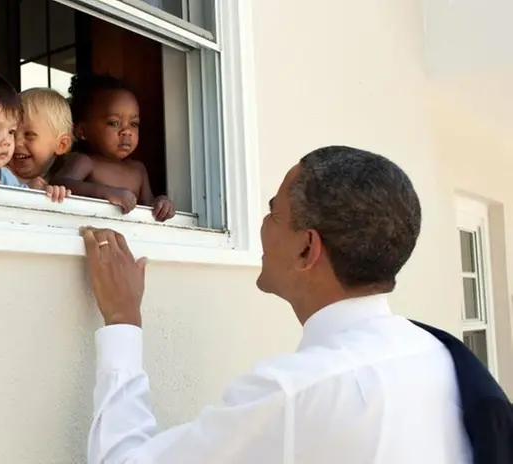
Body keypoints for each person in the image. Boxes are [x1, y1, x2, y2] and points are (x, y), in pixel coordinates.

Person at [79, 146, 471, 463]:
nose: (263, 226)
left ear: (307, 248)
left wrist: (122, 321)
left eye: (273, 212)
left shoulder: (294, 392)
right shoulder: (437, 355)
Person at [51, 74, 175, 222]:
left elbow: (149, 208)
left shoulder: (138, 170)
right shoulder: (85, 162)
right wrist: (106, 193)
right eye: (114, 123)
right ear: (82, 131)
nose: (126, 131)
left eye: (134, 124)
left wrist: (162, 204)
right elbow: (59, 183)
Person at [0, 70, 68, 202]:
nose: (8, 142)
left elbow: (22, 204)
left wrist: (44, 193)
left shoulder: (2, 175)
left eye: (11, 132)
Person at [9, 88, 74, 192]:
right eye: (11, 132)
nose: (17, 142)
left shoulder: (61, 182)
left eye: (29, 135)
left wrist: (56, 196)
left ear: (61, 145)